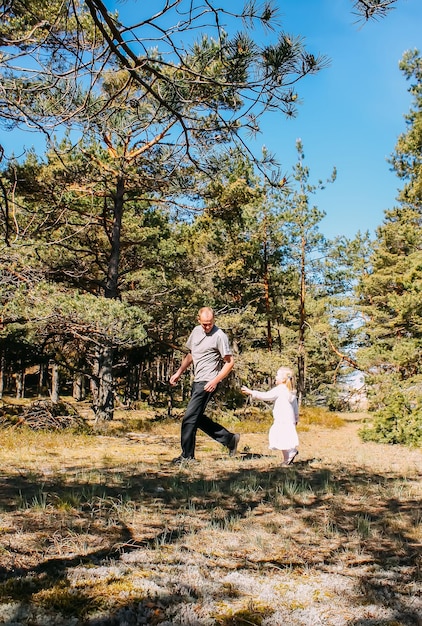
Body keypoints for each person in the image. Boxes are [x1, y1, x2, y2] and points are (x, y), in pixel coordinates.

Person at [169, 307, 240, 464]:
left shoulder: (219, 336)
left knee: (189, 418)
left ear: (214, 320)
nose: (207, 327)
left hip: (208, 382)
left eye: (210, 323)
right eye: (204, 324)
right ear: (198, 320)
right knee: (196, 418)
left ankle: (187, 457)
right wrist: (178, 372)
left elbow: (229, 362)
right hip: (197, 380)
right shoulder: (196, 331)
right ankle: (229, 439)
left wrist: (215, 381)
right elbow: (191, 354)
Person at [241, 366, 299, 465]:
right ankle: (289, 456)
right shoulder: (290, 391)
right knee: (286, 437)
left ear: (283, 379)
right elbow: (295, 406)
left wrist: (251, 392)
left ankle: (289, 456)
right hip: (290, 419)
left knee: (281, 437)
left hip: (282, 419)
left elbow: (266, 396)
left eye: (277, 375)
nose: (275, 377)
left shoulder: (280, 389)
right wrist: (296, 418)